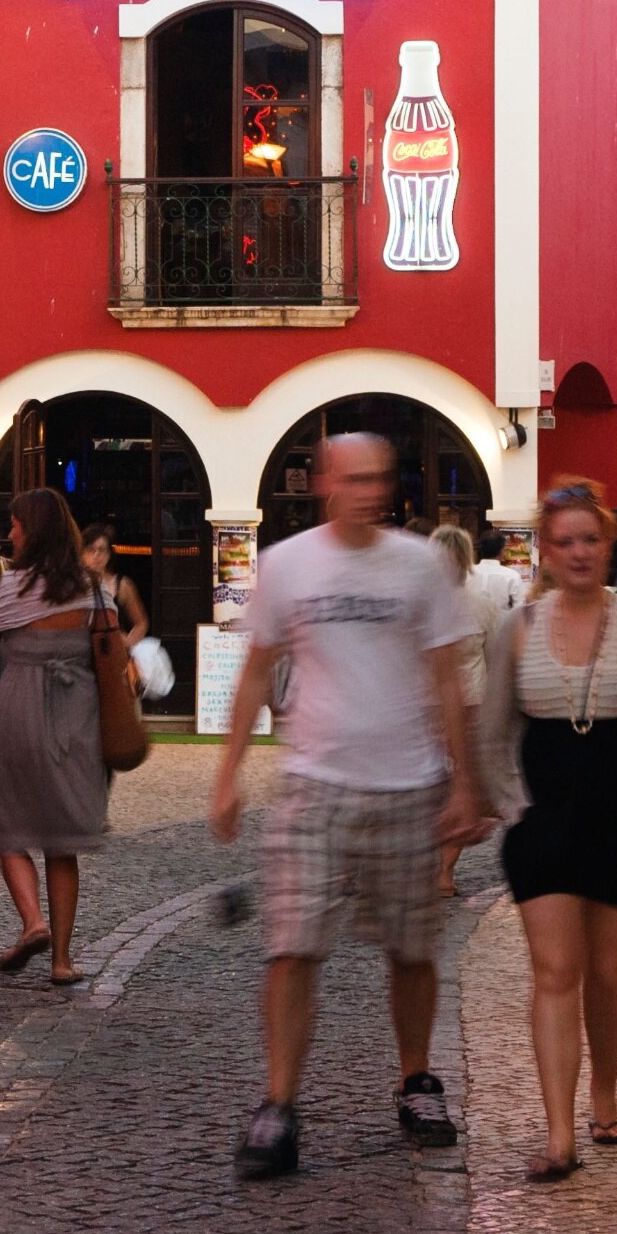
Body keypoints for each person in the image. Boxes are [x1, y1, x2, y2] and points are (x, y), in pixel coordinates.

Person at [211, 432, 487, 1180]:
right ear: (325, 482)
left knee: (411, 948)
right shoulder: (287, 563)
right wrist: (229, 771)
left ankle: (416, 1080)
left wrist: (466, 781)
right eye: (357, 478)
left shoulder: (422, 563)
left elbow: (448, 679)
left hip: (408, 783)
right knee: (292, 945)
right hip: (314, 783)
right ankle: (278, 1106)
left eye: (382, 479)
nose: (372, 491)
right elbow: (256, 671)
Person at [477, 482, 617, 1181]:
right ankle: (559, 1133)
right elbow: (494, 730)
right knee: (554, 971)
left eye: (589, 540)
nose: (577, 553)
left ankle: (604, 1094)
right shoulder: (519, 629)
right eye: (563, 541)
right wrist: (512, 808)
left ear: (609, 546)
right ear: (544, 549)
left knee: (608, 972)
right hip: (544, 825)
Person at [0, 490, 117, 986]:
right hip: (76, 717)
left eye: (15, 525)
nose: (11, 532)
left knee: (7, 827)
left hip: (19, 709)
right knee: (63, 845)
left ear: (31, 530)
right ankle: (62, 960)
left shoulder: (13, 586)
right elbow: (113, 650)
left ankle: (32, 921)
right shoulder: (91, 587)